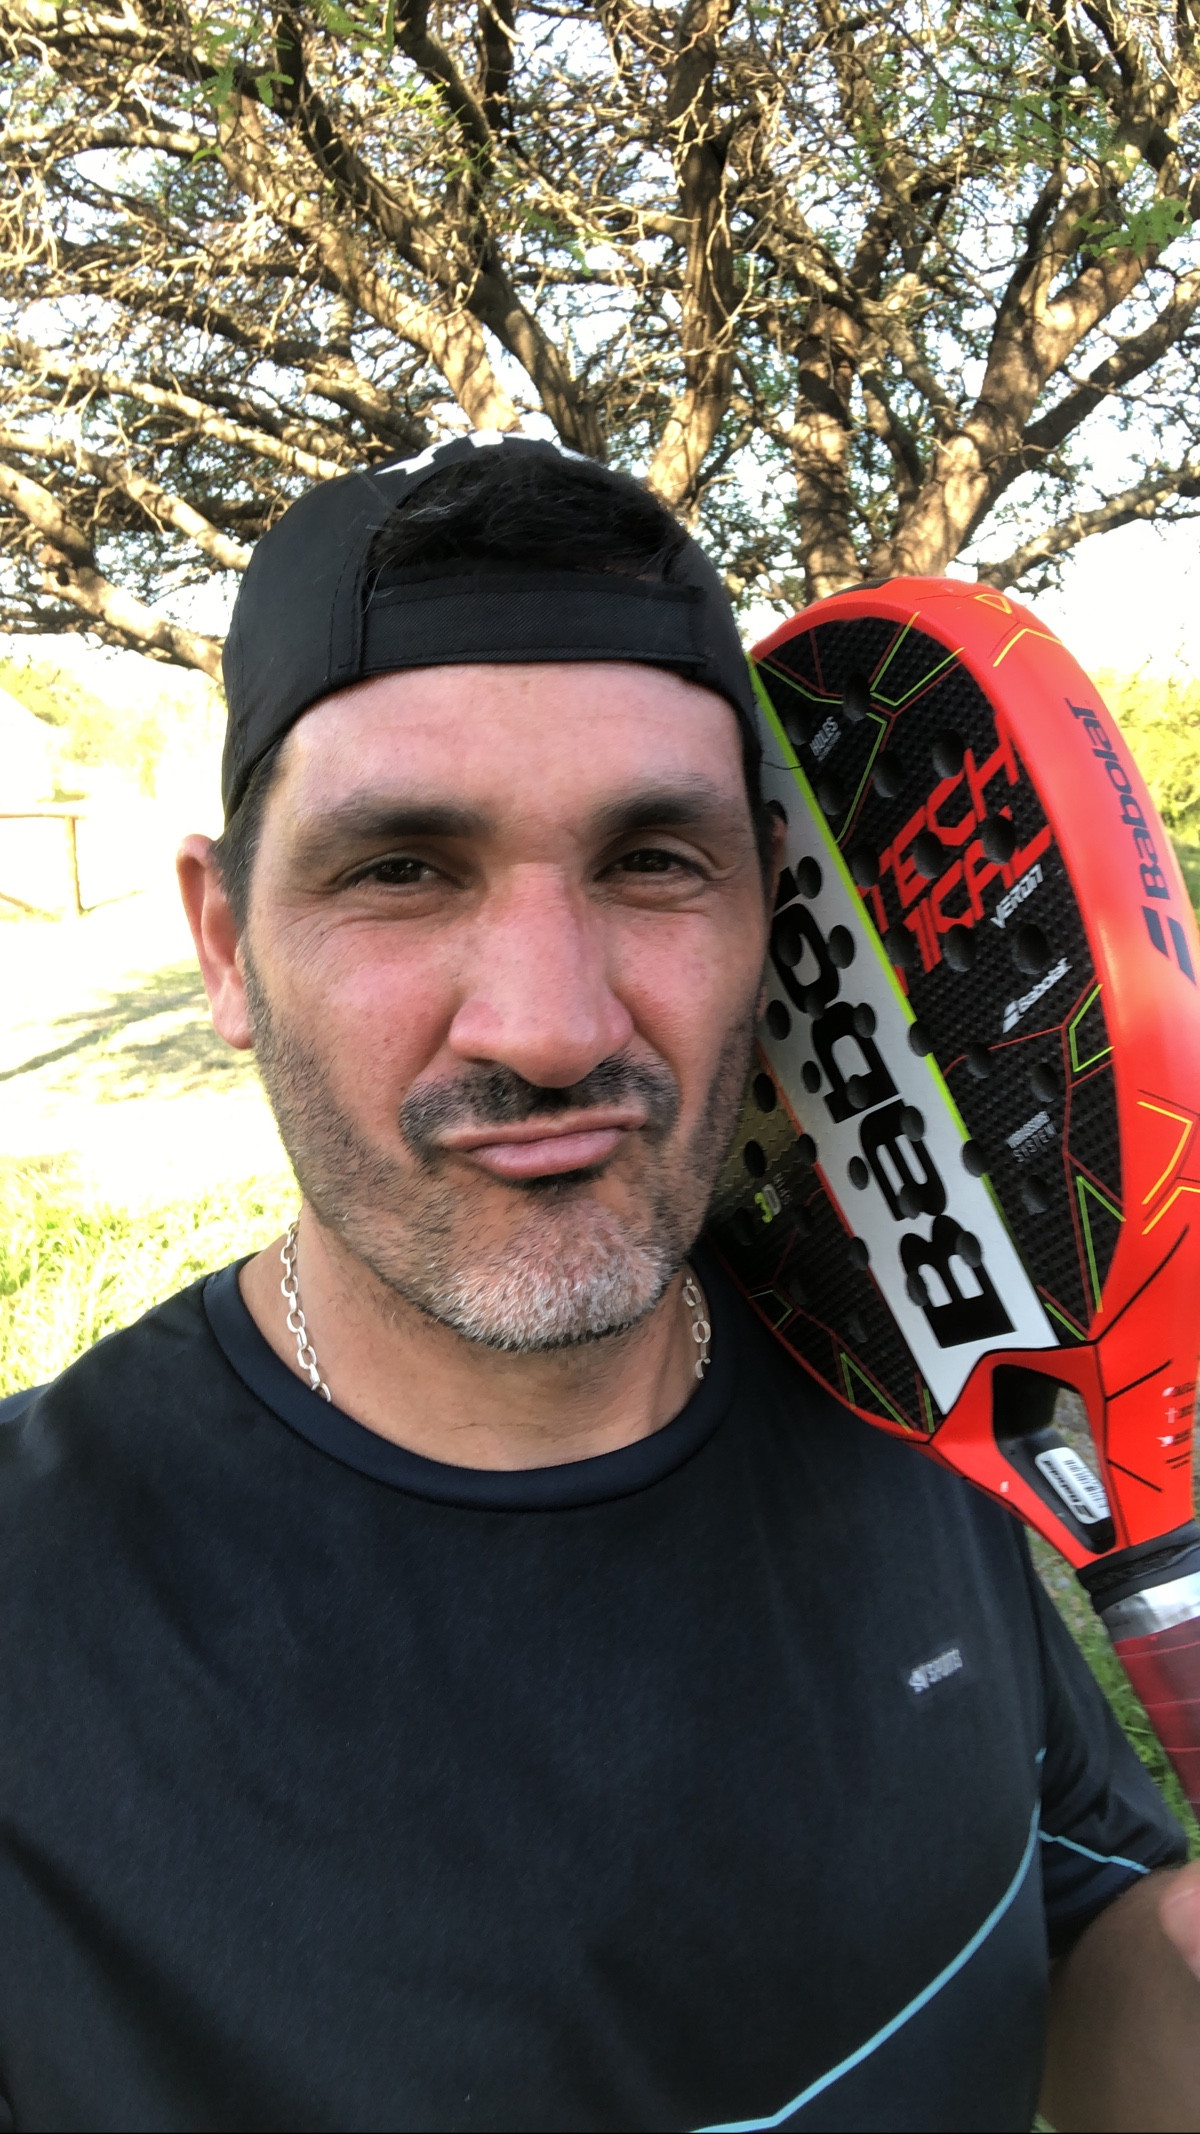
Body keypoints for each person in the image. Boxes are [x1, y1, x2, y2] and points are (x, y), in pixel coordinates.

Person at [1, 433, 1198, 2134]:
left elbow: (1077, 1965)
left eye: (653, 860)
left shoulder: (899, 1381)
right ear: (226, 943)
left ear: (770, 913)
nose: (554, 1026)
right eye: (401, 869)